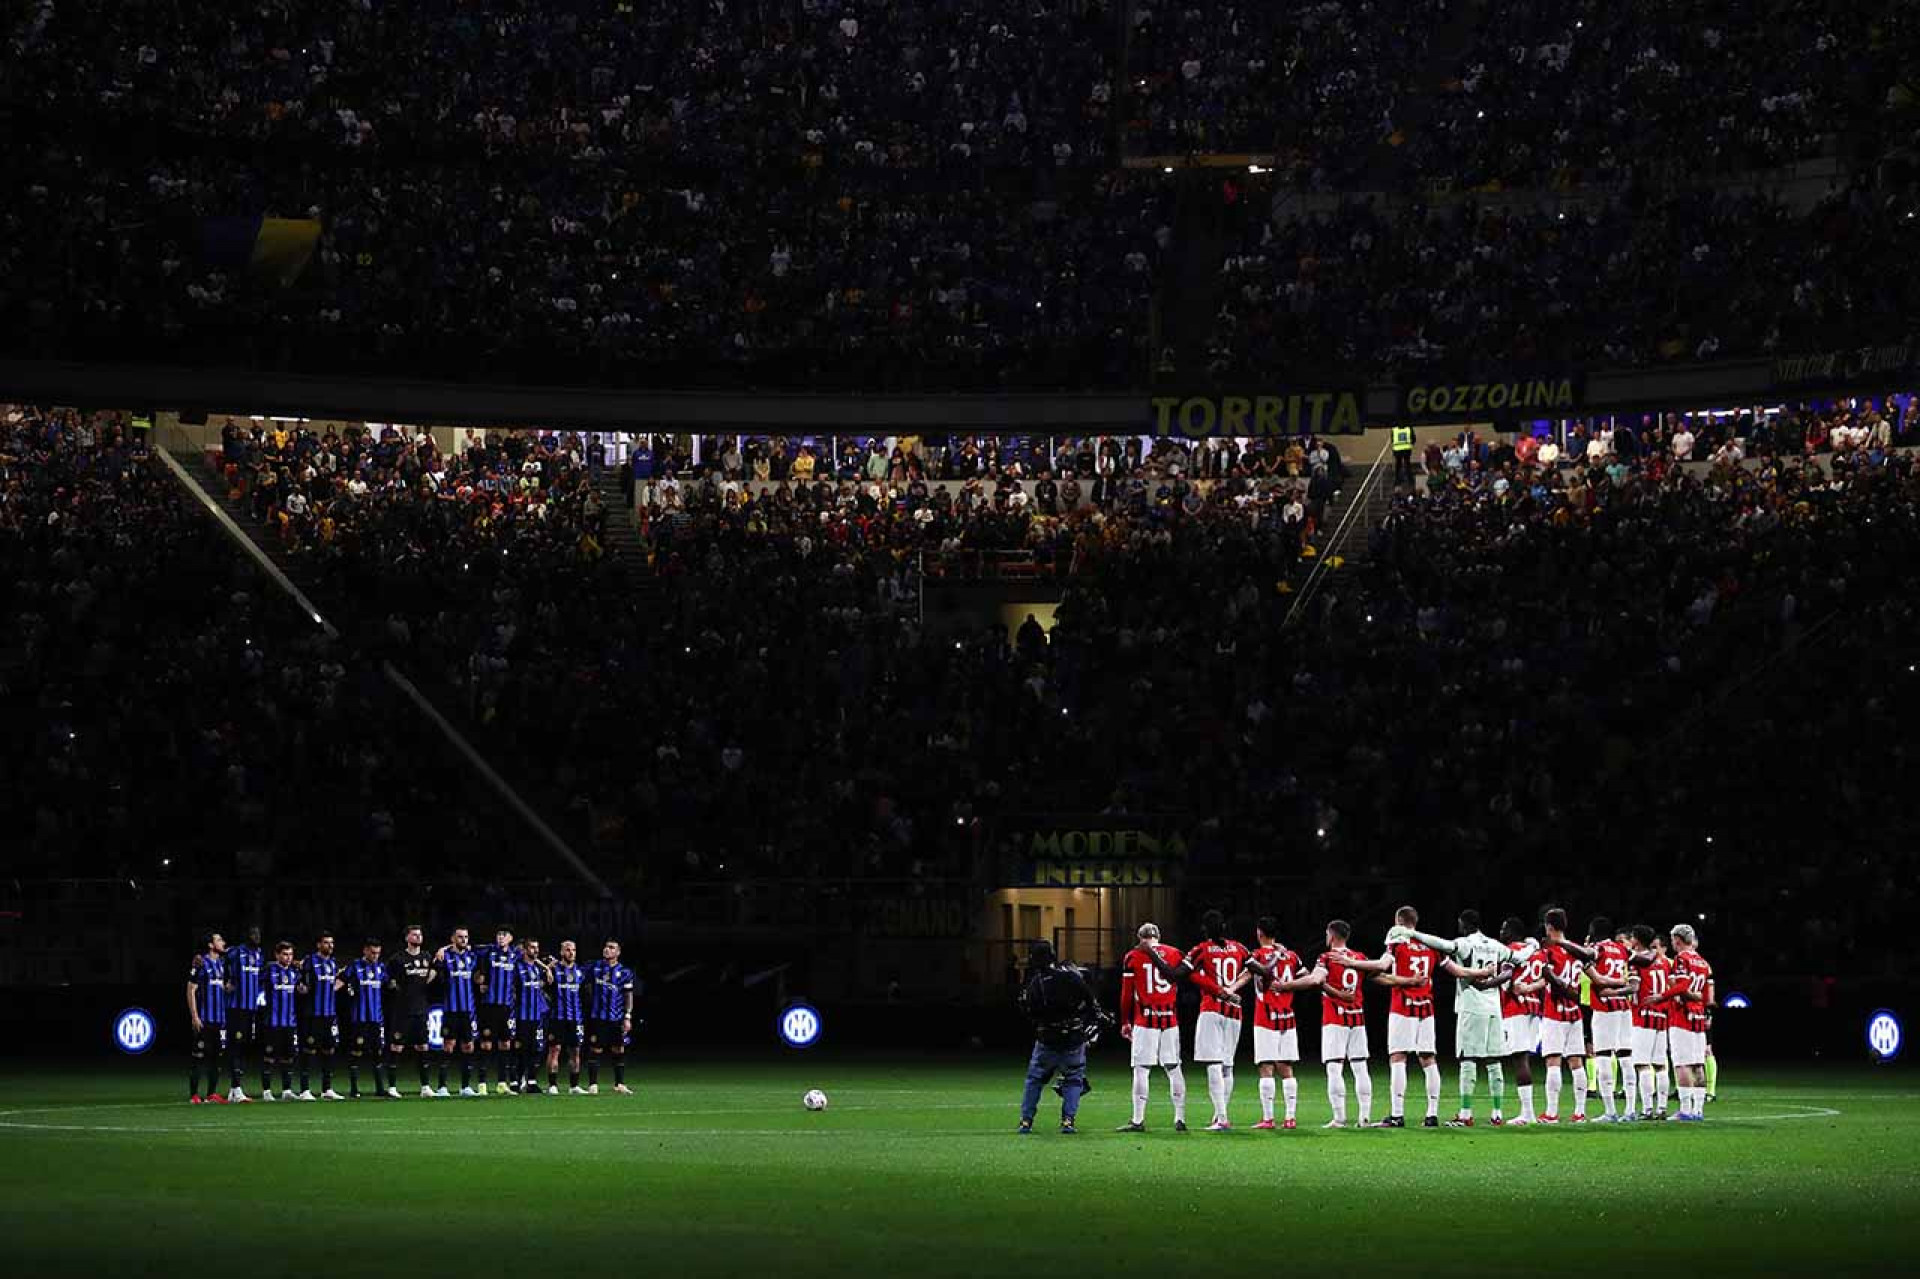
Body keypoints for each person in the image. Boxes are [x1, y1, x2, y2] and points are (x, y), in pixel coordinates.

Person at [1377, 906, 1496, 1127]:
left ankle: (1397, 1114)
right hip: (1426, 1009)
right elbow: (1457, 971)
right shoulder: (1430, 945)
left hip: (1403, 1007)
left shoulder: (1396, 942)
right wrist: (1481, 972)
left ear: (1399, 922)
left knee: (1398, 1057)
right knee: (1428, 1059)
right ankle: (1432, 1115)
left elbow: (1383, 966)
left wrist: (1364, 967)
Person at [1163, 910, 1248, 1131]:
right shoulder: (1239, 948)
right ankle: (1219, 1116)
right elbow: (1256, 970)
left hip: (1212, 1010)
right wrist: (1233, 988)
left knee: (1214, 1064)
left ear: (1205, 929)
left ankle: (1222, 1118)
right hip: (1235, 1012)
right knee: (1228, 1066)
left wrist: (1209, 984)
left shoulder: (1202, 949)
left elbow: (1177, 974)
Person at [1235, 916, 1321, 1130]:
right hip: (1287, 1017)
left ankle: (1268, 1118)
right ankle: (1290, 1118)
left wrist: (1230, 989)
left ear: (1259, 933)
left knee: (1266, 1067)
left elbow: (1246, 976)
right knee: (1286, 1067)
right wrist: (1289, 985)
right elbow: (1309, 978)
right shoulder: (1291, 955)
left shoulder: (1256, 956)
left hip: (1265, 1017)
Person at [1016, 940, 1100, 1135]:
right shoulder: (1070, 977)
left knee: (1035, 1079)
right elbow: (1090, 1001)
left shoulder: (1035, 984)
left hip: (1047, 1039)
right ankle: (1068, 1121)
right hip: (1073, 1038)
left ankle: (1026, 1121)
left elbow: (1029, 1011)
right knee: (1073, 1079)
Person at [1314, 920, 1390, 1129]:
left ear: (1331, 935)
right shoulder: (1358, 958)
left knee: (1334, 1067)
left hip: (1335, 1019)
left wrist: (1334, 992)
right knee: (1360, 1067)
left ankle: (1339, 1118)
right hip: (1357, 1018)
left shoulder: (1327, 957)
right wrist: (1406, 981)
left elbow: (1317, 980)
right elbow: (1381, 974)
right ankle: (1364, 1117)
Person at [1116, 923, 1189, 1132]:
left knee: (1141, 1069)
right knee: (1174, 1068)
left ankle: (1138, 1120)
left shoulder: (1133, 956)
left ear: (1140, 937)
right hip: (1170, 1020)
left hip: (1145, 1020)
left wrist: (1124, 1021)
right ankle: (1180, 1118)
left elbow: (1126, 994)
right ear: (1159, 936)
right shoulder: (1175, 953)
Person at [1583, 918, 1634, 1121]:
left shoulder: (1597, 949)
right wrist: (1622, 982)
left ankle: (1610, 1111)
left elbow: (1595, 977)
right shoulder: (1622, 950)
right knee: (1626, 1057)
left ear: (1593, 931)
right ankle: (1630, 1110)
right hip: (1624, 1006)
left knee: (1603, 1056)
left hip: (1604, 1006)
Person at [1500, 916, 1546, 1125]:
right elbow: (1545, 978)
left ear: (1512, 932)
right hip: (1534, 1007)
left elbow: (1506, 982)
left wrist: (1505, 987)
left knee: (1520, 1059)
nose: (1501, 932)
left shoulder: (1510, 952)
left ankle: (1527, 1113)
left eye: (1504, 929)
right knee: (1524, 1057)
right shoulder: (1537, 953)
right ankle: (1529, 1111)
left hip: (1516, 1008)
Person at [1666, 924, 1714, 1121]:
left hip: (1682, 1015)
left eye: (1672, 940)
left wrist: (1672, 987)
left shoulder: (1681, 959)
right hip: (1699, 1016)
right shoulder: (1703, 962)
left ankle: (1685, 1109)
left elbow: (1681, 989)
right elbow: (1707, 994)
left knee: (1682, 1063)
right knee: (1697, 1064)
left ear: (1678, 939)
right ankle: (1698, 1110)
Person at [339, 937, 397, 1100]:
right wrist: (341, 991)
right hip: (359, 1018)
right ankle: (354, 1089)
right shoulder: (354, 966)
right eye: (372, 952)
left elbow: (389, 984)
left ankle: (380, 1088)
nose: (375, 956)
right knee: (356, 1052)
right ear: (365, 951)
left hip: (376, 1019)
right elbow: (340, 981)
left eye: (378, 953)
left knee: (378, 1053)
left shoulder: (380, 967)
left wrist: (395, 985)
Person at [1626, 924, 1671, 1121]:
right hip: (1661, 1017)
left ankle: (1646, 1109)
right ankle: (1662, 1108)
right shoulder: (1664, 962)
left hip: (1643, 1016)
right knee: (1660, 1065)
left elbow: (1634, 988)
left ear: (1637, 939)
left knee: (1642, 1064)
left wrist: (1618, 990)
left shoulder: (1637, 962)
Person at [387, 925, 437, 1097]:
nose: (418, 937)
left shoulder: (427, 957)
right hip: (403, 1010)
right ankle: (392, 1087)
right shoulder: (397, 959)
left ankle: (425, 1087)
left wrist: (430, 978)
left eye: (420, 934)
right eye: (414, 934)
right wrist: (394, 986)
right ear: (407, 938)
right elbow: (389, 980)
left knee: (423, 1047)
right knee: (396, 1047)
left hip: (421, 1009)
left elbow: (435, 970)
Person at [434, 927, 481, 1096]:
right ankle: (442, 1087)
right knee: (449, 1046)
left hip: (468, 1010)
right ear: (453, 938)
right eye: (460, 937)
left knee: (468, 1046)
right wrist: (443, 949)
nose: (464, 940)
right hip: (451, 1010)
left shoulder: (472, 957)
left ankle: (465, 1087)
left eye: (466, 937)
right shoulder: (445, 956)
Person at [187, 931, 232, 1105]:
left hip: (219, 1021)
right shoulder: (200, 963)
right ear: (210, 945)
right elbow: (191, 989)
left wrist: (230, 987)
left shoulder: (221, 964)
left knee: (216, 1058)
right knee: (198, 1057)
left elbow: (223, 987)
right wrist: (195, 1016)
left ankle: (212, 1093)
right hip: (204, 1018)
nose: (223, 942)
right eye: (219, 940)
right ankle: (194, 1095)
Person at [587, 939, 636, 1095]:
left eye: (611, 947)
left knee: (618, 1049)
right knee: (596, 1048)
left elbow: (628, 996)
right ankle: (593, 1084)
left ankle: (619, 1084)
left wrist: (627, 1016)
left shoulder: (625, 972)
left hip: (617, 1017)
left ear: (618, 952)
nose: (607, 949)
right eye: (606, 947)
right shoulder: (595, 967)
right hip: (598, 1016)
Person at [297, 931, 342, 1100]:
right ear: (318, 945)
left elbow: (336, 982)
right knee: (309, 1050)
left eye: (331, 943)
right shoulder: (310, 961)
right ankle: (304, 1090)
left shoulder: (333, 963)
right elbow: (301, 982)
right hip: (312, 1014)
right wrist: (302, 989)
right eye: (326, 943)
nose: (330, 946)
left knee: (329, 1049)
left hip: (329, 1013)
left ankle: (326, 1089)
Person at [224, 926, 265, 1103]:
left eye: (258, 934)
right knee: (236, 1046)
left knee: (245, 1047)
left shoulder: (259, 954)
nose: (256, 937)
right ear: (246, 936)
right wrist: (227, 982)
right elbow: (220, 962)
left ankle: (234, 1089)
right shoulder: (235, 952)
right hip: (236, 1008)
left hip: (251, 1009)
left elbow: (261, 977)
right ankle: (237, 1089)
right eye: (253, 934)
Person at [476, 928, 519, 1094]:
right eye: (499, 935)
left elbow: (532, 958)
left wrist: (547, 967)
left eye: (504, 935)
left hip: (506, 1007)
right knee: (486, 1044)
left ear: (510, 938)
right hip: (489, 1004)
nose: (501, 937)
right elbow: (467, 949)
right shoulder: (488, 951)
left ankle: (502, 1083)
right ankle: (482, 1084)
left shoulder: (515, 955)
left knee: (505, 1044)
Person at [261, 941, 303, 1101]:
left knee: (288, 1057)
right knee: (269, 1057)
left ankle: (286, 1090)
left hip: (289, 1022)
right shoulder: (269, 970)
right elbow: (257, 983)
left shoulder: (294, 972)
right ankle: (266, 1092)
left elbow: (300, 987)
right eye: (285, 954)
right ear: (277, 955)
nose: (288, 958)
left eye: (291, 954)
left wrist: (302, 989)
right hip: (272, 1021)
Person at [546, 940, 588, 1095]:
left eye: (574, 950)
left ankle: (574, 1086)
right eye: (568, 950)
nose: (571, 953)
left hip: (576, 1018)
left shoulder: (580, 971)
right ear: (561, 952)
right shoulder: (554, 969)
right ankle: (552, 1085)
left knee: (575, 1051)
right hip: (557, 1017)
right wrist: (548, 970)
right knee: (554, 1050)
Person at [513, 938, 550, 1094]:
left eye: (537, 948)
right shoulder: (517, 967)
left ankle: (532, 1081)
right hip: (522, 1015)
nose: (535, 950)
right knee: (521, 1049)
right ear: (525, 950)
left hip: (537, 1015)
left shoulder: (537, 969)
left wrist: (547, 970)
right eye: (532, 948)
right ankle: (517, 1080)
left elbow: (543, 984)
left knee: (536, 1049)